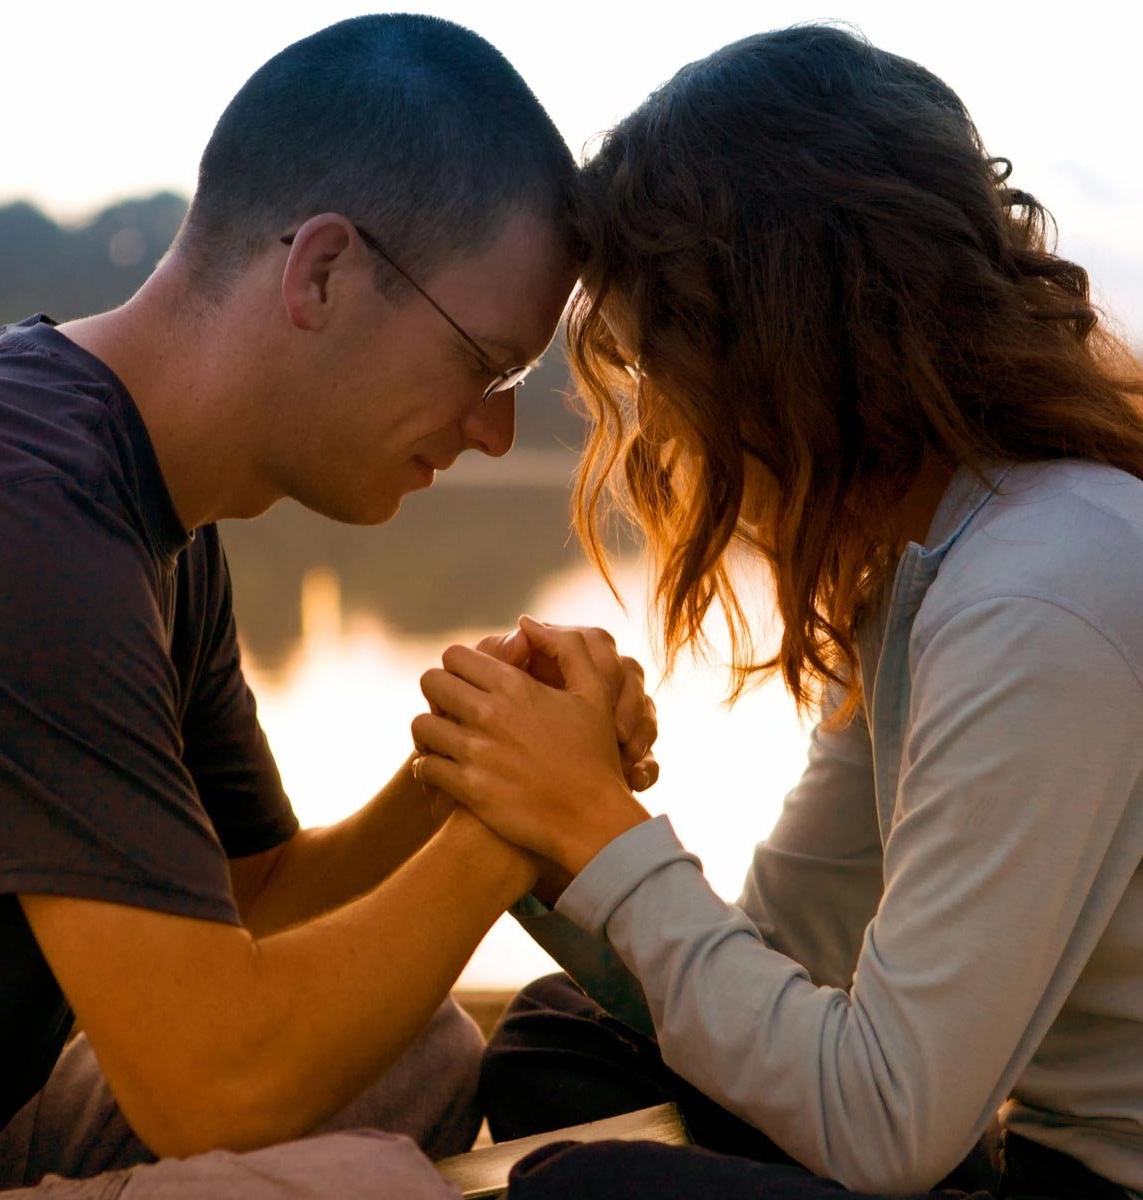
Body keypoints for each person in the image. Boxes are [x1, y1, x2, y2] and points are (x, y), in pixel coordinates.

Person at [411, 23, 1143, 1200]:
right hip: (994, 1143)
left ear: (772, 346)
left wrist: (602, 830)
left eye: (653, 370)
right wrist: (542, 825)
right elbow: (789, 949)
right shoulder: (936, 566)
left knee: (583, 1191)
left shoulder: (1040, 592)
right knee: (563, 1044)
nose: (655, 432)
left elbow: (886, 1122)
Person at [0, 14, 659, 1200]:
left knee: (408, 1055)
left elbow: (257, 902)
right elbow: (211, 1084)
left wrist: (470, 769)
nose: (494, 432)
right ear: (321, 271)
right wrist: (518, 824)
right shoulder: (18, 517)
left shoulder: (150, 508)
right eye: (485, 365)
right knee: (363, 1184)